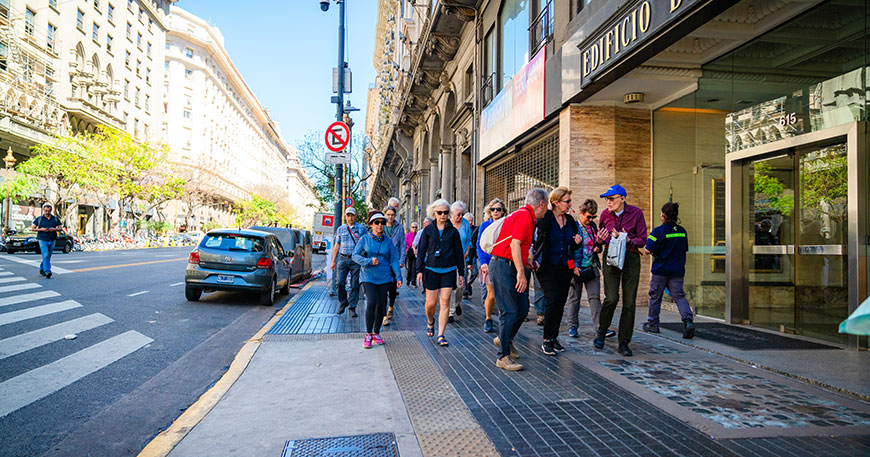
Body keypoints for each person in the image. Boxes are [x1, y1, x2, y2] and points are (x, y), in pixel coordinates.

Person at [491, 188, 548, 371]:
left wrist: (528, 261)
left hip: (511, 265)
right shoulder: (524, 216)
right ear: (541, 204)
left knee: (522, 309)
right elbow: (514, 244)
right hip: (503, 267)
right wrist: (521, 273)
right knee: (509, 310)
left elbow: (519, 246)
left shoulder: (529, 218)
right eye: (547, 204)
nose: (548, 208)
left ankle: (504, 339)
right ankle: (503, 356)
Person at [595, 185, 647, 357]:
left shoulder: (636, 213)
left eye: (612, 198)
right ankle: (602, 331)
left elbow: (643, 239)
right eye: (607, 199)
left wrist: (628, 239)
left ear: (623, 198)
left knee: (629, 301)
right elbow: (600, 240)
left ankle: (624, 341)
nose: (608, 202)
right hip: (611, 256)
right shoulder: (604, 215)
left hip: (630, 257)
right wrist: (600, 240)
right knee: (611, 298)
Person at [533, 187, 581, 356]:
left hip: (564, 267)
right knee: (552, 300)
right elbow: (535, 239)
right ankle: (547, 339)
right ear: (555, 202)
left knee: (560, 302)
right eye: (567, 201)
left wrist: (577, 242)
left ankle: (554, 338)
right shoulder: (545, 218)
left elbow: (573, 244)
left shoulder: (570, 221)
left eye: (569, 201)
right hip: (546, 266)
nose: (569, 204)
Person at [415, 200, 465, 347]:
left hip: (449, 270)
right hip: (431, 270)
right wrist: (419, 271)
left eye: (445, 212)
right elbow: (421, 251)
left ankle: (441, 334)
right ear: (434, 213)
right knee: (430, 304)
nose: (443, 215)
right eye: (439, 212)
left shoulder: (453, 231)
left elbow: (458, 253)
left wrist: (461, 273)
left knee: (445, 302)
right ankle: (431, 321)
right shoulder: (428, 230)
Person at [642, 202, 695, 339]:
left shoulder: (658, 231)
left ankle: (653, 324)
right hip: (677, 271)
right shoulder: (682, 231)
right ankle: (688, 320)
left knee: (655, 297)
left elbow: (647, 249)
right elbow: (684, 249)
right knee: (679, 296)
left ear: (663, 216)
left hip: (661, 270)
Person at [565, 199, 614, 339]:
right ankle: (572, 326)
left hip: (591, 267)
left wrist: (598, 245)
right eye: (588, 216)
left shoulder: (593, 227)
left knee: (595, 298)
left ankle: (600, 328)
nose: (591, 219)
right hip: (577, 268)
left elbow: (595, 248)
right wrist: (572, 267)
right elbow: (567, 250)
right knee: (574, 298)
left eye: (594, 217)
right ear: (581, 213)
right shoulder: (573, 227)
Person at [353, 211, 402, 348]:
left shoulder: (388, 241)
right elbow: (354, 256)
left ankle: (376, 332)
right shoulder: (364, 239)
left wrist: (398, 276)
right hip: (368, 276)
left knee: (381, 305)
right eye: (377, 222)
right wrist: (368, 261)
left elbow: (393, 259)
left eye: (382, 222)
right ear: (371, 224)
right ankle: (368, 334)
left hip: (385, 277)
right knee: (371, 302)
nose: (380, 225)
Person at [331, 207, 367, 318]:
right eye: (348, 215)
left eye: (352, 215)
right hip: (343, 259)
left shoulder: (361, 228)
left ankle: (352, 307)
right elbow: (337, 245)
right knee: (340, 283)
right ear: (345, 216)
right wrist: (333, 261)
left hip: (356, 260)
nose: (350, 217)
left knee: (354, 285)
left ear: (355, 216)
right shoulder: (341, 229)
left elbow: (366, 244)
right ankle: (343, 302)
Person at [477, 198, 506, 333]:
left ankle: (503, 318)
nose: (495, 212)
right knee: (492, 294)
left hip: (503, 262)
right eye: (493, 209)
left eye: (498, 209)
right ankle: (488, 318)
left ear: (503, 211)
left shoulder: (506, 224)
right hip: (489, 262)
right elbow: (479, 245)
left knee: (503, 294)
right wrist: (482, 262)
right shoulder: (484, 226)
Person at [382, 206, 406, 326]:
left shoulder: (399, 227)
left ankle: (391, 306)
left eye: (392, 215)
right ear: (384, 215)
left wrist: (402, 260)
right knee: (382, 289)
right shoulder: (380, 226)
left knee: (392, 289)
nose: (390, 217)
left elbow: (402, 245)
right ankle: (383, 316)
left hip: (394, 262)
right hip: (382, 263)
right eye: (388, 215)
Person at [448, 201, 471, 322]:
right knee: (450, 285)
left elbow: (469, 241)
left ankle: (457, 303)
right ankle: (450, 311)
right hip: (449, 259)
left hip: (462, 259)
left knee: (460, 285)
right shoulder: (447, 224)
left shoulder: (465, 224)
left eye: (462, 214)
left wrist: (466, 254)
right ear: (452, 214)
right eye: (458, 214)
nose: (460, 217)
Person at [31, 203, 63, 279]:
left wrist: (54, 229)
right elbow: (33, 228)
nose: (47, 212)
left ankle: (42, 269)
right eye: (46, 211)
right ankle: (47, 271)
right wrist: (41, 229)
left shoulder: (55, 219)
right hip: (42, 239)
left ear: (51, 210)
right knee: (45, 255)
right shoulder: (39, 219)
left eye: (48, 211)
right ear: (43, 210)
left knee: (48, 255)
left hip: (52, 238)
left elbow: (60, 228)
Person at [463, 213, 479, 299]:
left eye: (471, 220)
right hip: (464, 255)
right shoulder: (462, 230)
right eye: (468, 220)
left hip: (472, 254)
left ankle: (468, 284)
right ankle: (465, 292)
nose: (470, 222)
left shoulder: (475, 229)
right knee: (464, 274)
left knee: (475, 272)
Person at [405, 221, 418, 288]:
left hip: (416, 251)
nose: (414, 228)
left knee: (414, 267)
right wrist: (406, 251)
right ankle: (408, 279)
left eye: (415, 227)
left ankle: (413, 282)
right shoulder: (407, 235)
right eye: (413, 227)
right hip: (410, 251)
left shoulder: (418, 235)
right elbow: (406, 244)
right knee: (409, 267)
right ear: (411, 227)